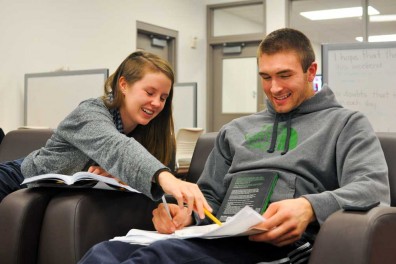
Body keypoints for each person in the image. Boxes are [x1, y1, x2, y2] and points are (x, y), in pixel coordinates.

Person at [79, 28, 390, 264]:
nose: (275, 88)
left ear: (311, 72)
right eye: (266, 77)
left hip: (278, 243)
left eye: (285, 75)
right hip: (217, 234)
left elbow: (373, 188)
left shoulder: (346, 124)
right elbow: (210, 196)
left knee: (161, 257)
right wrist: (187, 215)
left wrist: (309, 207)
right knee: (104, 252)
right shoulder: (236, 130)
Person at [0, 51, 211, 218]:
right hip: (18, 179)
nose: (156, 103)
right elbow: (115, 146)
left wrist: (123, 179)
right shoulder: (90, 112)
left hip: (62, 197)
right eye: (149, 93)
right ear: (123, 85)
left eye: (163, 97)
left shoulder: (152, 132)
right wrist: (165, 177)